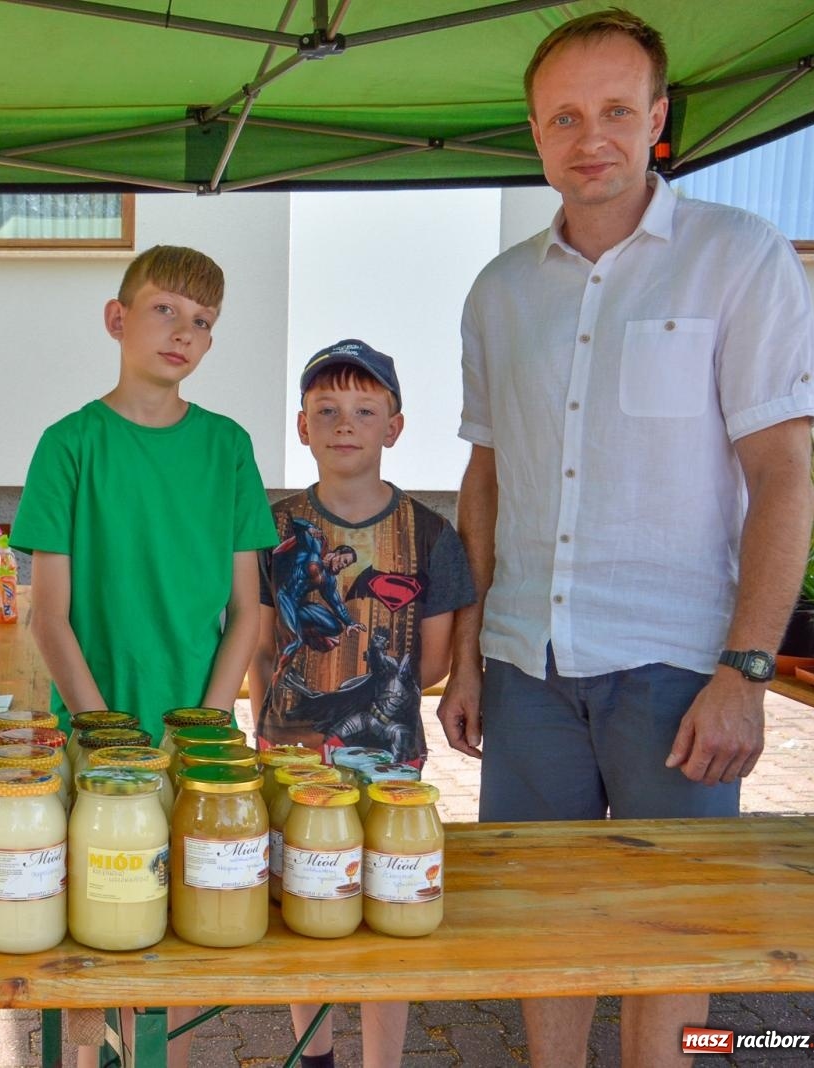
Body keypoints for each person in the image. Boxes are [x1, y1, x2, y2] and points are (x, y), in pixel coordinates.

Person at [437, 9, 814, 1067]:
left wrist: (747, 668)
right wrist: (465, 653)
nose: (587, 135)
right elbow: (488, 474)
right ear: (533, 133)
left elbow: (784, 472)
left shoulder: (736, 257)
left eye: (614, 109)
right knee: (536, 922)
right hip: (524, 668)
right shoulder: (499, 291)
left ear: (656, 119)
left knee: (675, 931)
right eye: (562, 116)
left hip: (678, 671)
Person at [11, 244, 278, 1067]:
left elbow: (248, 613)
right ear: (117, 319)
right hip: (91, 740)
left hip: (195, 744)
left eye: (203, 322)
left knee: (175, 937)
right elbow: (47, 618)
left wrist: (203, 727)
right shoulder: (68, 445)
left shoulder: (227, 446)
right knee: (94, 934)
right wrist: (107, 739)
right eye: (166, 310)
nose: (185, 333)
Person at [249, 339, 475, 1068]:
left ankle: (383, 1060)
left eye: (364, 410)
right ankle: (314, 1053)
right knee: (305, 911)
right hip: (289, 754)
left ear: (394, 427)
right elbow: (254, 644)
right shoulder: (267, 531)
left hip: (389, 765)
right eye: (327, 410)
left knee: (389, 915)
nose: (345, 423)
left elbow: (435, 662)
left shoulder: (433, 536)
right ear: (302, 426)